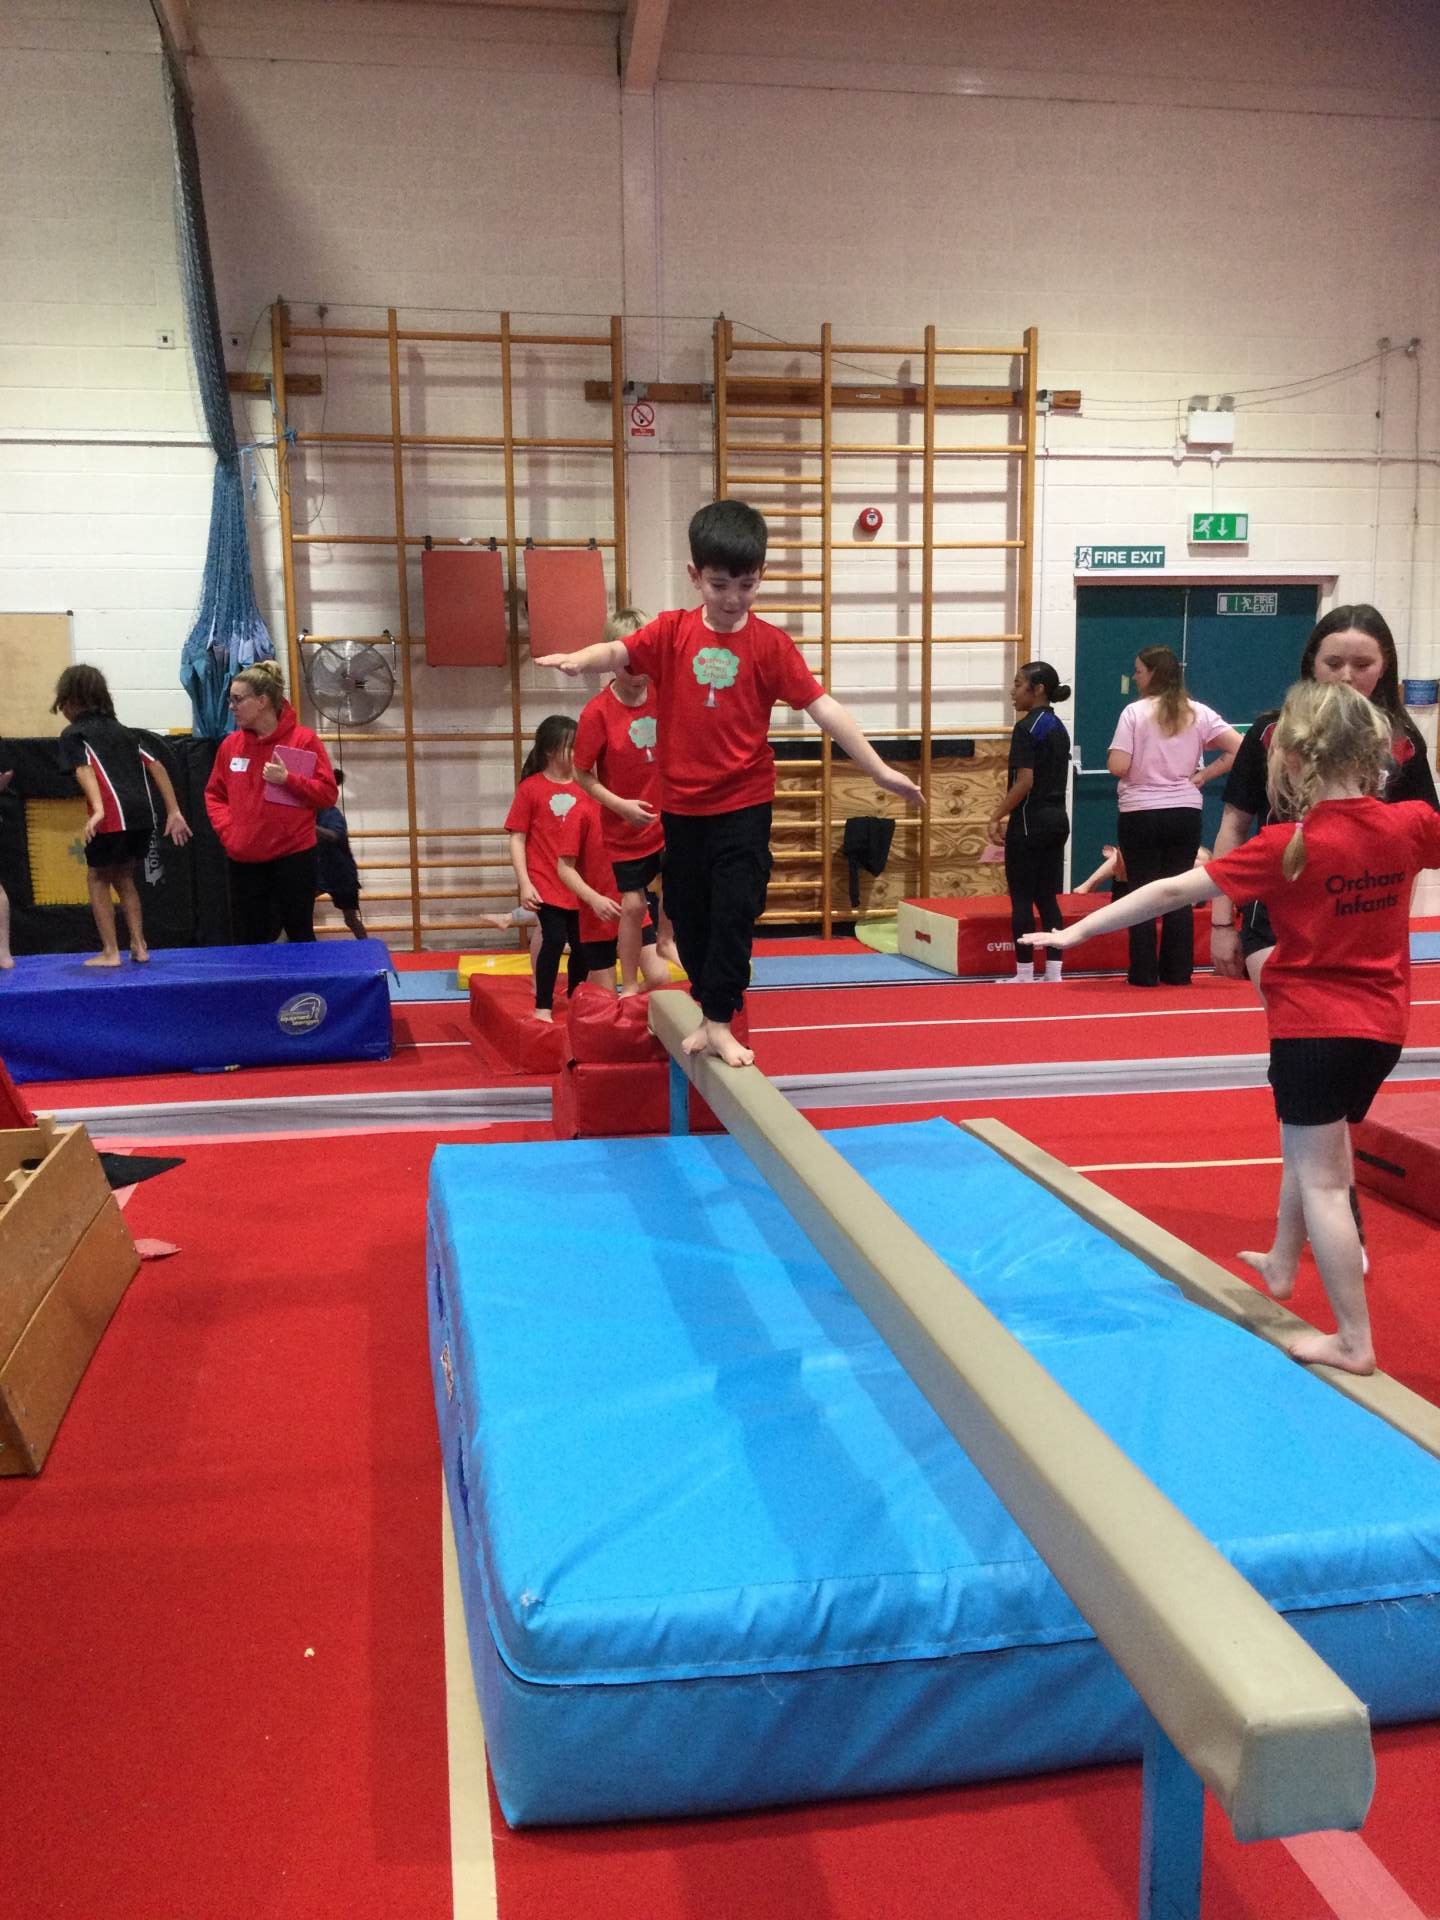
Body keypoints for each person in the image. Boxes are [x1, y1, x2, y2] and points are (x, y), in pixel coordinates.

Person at [1023, 678, 1440, 1376]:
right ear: (1377, 752)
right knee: (1317, 1150)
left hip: (1312, 1031)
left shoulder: (1290, 843)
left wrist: (1078, 930)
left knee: (1325, 1182)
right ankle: (1282, 1261)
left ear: (1293, 760)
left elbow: (1171, 890)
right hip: (1384, 1030)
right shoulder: (1412, 824)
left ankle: (1353, 1341)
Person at [537, 499, 924, 1066]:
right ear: (695, 576)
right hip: (683, 812)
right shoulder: (672, 633)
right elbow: (619, 651)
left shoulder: (770, 646)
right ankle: (709, 1008)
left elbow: (824, 708)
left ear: (760, 575)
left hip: (744, 806)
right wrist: (581, 658)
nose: (733, 598)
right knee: (687, 919)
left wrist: (879, 769)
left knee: (735, 910)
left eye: (747, 585)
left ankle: (719, 1018)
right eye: (720, 585)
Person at [1210, 604, 1439, 988]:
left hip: (1362, 917)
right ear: (1312, 663)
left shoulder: (1402, 741)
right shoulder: (1273, 734)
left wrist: (1397, 924)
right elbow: (1233, 826)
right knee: (1299, 1020)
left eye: (1362, 664)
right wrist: (1220, 923)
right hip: (1277, 917)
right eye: (1333, 663)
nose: (1346, 676)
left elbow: (1414, 848)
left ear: (1384, 666)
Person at [1107, 645, 1241, 987]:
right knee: (1179, 892)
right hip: (1184, 810)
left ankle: (1143, 973)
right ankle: (1178, 972)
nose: (1134, 677)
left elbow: (1119, 765)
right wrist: (1204, 774)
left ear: (1153, 673)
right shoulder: (1197, 712)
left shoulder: (1134, 713)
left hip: (1141, 811)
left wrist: (1124, 760)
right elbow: (1239, 747)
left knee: (1141, 891)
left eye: (1138, 671)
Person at [52, 664, 192, 967]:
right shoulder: (124, 732)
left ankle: (110, 951)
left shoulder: (74, 734)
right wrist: (173, 810)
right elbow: (156, 766)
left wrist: (99, 808)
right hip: (141, 815)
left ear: (71, 700)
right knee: (125, 877)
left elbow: (83, 769)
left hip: (113, 814)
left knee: (97, 877)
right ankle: (139, 945)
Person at [572, 606, 674, 995]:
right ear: (612, 661)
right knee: (632, 906)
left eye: (644, 661)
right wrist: (619, 805)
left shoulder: (664, 692)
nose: (638, 671)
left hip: (670, 813)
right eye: (629, 663)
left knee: (680, 883)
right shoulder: (597, 713)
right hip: (626, 825)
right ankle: (629, 984)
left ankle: (665, 940)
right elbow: (582, 773)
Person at [204, 660, 338, 944]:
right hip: (244, 861)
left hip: (293, 858)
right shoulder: (230, 746)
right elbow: (214, 795)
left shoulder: (303, 740)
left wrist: (288, 779)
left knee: (299, 935)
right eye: (231, 700)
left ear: (262, 701)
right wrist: (229, 832)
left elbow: (327, 794)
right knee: (249, 940)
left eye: (238, 699)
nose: (231, 706)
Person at [987, 662, 1071, 983]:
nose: (1012, 691)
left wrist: (996, 814)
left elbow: (1024, 782)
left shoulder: (1027, 728)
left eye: (1018, 684)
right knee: (1047, 898)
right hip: (1057, 820)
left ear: (1038, 689)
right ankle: (1053, 972)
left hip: (1030, 821)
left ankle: (1024, 972)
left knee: (1022, 898)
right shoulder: (1058, 726)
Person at [503, 714, 590, 1022]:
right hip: (546, 880)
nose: (577, 753)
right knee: (553, 939)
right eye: (570, 747)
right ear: (551, 751)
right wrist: (525, 882)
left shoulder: (586, 786)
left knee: (582, 945)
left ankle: (577, 1000)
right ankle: (543, 1005)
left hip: (579, 882)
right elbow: (517, 838)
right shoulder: (531, 789)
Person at [555, 789, 623, 992]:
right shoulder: (581, 811)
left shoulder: (625, 806)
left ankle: (621, 999)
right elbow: (564, 868)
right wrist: (594, 899)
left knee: (658, 976)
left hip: (628, 904)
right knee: (551, 936)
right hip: (597, 911)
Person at [314, 768, 367, 939]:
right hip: (322, 873)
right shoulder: (313, 814)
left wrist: (312, 828)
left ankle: (367, 948)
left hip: (342, 875)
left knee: (350, 919)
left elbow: (335, 835)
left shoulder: (332, 813)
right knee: (299, 907)